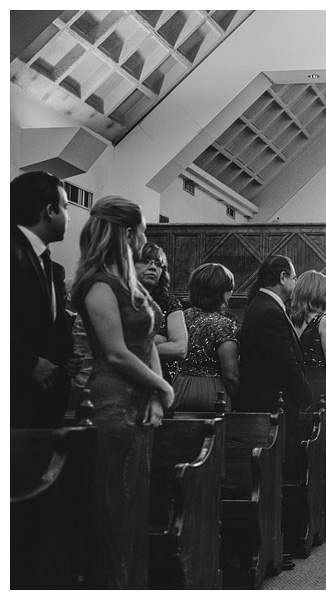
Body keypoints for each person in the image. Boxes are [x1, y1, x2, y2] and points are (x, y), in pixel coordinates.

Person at [71, 196, 174, 588]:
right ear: (128, 232)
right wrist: (162, 385)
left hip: (139, 397)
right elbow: (115, 352)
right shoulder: (97, 282)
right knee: (113, 505)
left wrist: (154, 397)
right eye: (144, 229)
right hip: (112, 399)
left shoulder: (128, 280)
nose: (146, 237)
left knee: (135, 506)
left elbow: (146, 342)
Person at [11, 171, 79, 427]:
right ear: (49, 210)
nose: (69, 217)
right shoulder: (9, 249)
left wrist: (64, 355)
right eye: (65, 207)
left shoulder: (42, 256)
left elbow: (44, 317)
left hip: (40, 397)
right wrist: (27, 364)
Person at [236, 254, 314, 471]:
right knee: (279, 469)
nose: (296, 283)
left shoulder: (263, 305)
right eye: (294, 277)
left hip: (271, 403)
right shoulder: (268, 310)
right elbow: (285, 363)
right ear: (282, 277)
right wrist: (305, 395)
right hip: (273, 405)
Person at [290, 269, 326, 536]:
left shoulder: (290, 318)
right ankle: (323, 519)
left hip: (298, 384)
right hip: (320, 383)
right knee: (323, 449)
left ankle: (302, 518)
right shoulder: (322, 320)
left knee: (302, 448)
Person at [172, 263, 239, 411]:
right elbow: (231, 375)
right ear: (222, 292)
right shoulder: (224, 324)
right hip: (213, 393)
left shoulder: (183, 317)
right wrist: (238, 400)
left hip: (180, 387)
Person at [135, 242, 187, 382]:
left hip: (162, 379)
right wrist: (160, 340)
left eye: (158, 264)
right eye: (145, 261)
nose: (153, 267)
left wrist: (135, 348)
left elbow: (180, 349)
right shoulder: (118, 297)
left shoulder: (169, 302)